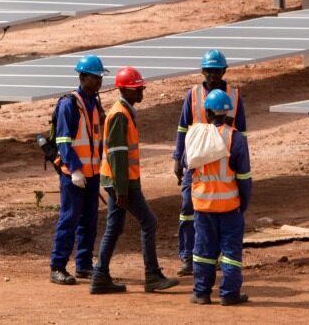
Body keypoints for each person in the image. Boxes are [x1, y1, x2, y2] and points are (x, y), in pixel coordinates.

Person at [90, 66, 180, 295]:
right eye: (136, 89)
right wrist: (122, 190)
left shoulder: (123, 112)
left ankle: (100, 276)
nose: (141, 93)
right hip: (122, 183)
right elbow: (118, 155)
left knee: (114, 227)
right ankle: (151, 275)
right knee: (149, 222)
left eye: (141, 88)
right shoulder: (120, 115)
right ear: (124, 90)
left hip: (117, 181)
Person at [172, 49, 247, 276]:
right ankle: (188, 256)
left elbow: (241, 133)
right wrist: (178, 158)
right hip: (195, 164)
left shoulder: (234, 97)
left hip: (223, 165)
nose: (211, 75)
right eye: (207, 71)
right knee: (188, 209)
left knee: (223, 210)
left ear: (224, 71)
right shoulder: (193, 95)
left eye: (215, 71)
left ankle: (215, 256)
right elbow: (183, 127)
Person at [189, 89, 251, 306]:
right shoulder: (236, 138)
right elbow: (244, 176)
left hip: (203, 205)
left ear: (207, 112)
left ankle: (201, 293)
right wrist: (243, 202)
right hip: (229, 206)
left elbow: (189, 170)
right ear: (227, 113)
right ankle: (229, 294)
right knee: (231, 253)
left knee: (203, 251)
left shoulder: (195, 135)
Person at [49, 54, 106, 285]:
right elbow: (63, 141)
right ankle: (57, 266)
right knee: (69, 219)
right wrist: (74, 170)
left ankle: (83, 264)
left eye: (100, 77)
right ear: (83, 77)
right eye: (95, 77)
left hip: (91, 174)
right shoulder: (69, 104)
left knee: (89, 220)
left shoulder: (93, 103)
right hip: (73, 175)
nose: (99, 82)